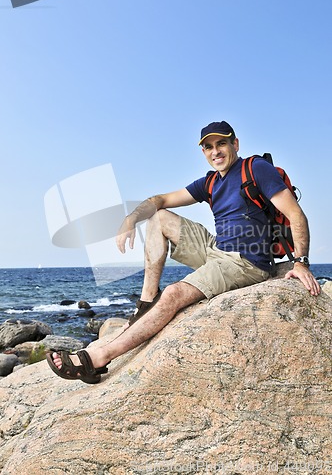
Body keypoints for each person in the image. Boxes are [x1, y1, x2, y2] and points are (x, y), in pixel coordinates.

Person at [46, 120, 321, 383]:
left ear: (235, 144)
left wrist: (301, 263)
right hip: (216, 249)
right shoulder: (211, 182)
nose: (216, 151)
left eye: (221, 144)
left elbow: (296, 214)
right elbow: (161, 200)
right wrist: (131, 218)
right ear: (203, 151)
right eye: (209, 147)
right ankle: (146, 303)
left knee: (175, 293)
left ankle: (97, 357)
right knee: (159, 217)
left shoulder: (255, 168)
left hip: (245, 262)